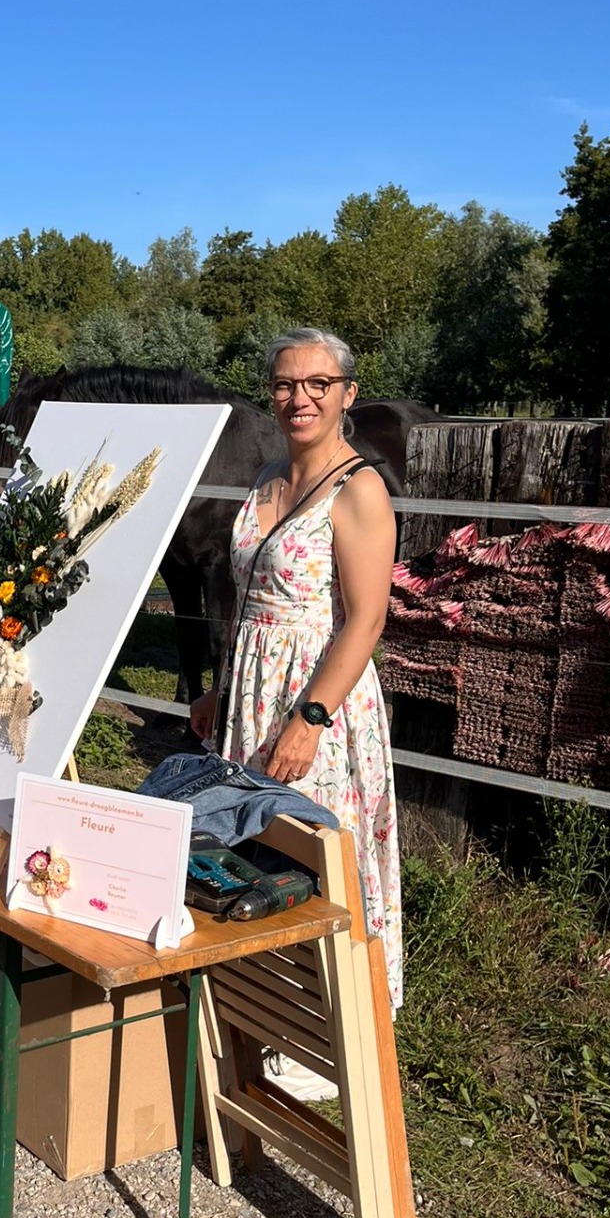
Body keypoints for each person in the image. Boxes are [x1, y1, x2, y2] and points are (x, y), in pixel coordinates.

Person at [189, 328, 403, 1007]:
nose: (299, 398)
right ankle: (253, 1001)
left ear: (348, 394)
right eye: (284, 384)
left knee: (311, 850)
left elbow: (366, 620)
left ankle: (327, 1014)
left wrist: (310, 719)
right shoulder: (265, 479)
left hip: (316, 696)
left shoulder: (359, 489)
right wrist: (221, 689)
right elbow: (248, 598)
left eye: (318, 384)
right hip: (250, 693)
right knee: (248, 843)